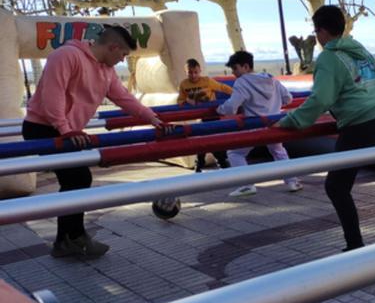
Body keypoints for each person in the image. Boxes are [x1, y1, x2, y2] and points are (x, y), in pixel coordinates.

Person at [273, 5, 375, 251]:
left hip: (360, 124)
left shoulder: (329, 58)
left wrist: (290, 121)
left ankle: (355, 244)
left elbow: (320, 100)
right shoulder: (359, 50)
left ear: (320, 31)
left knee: (336, 186)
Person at [22, 25, 172, 258]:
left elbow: (123, 98)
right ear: (112, 47)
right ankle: (71, 238)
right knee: (78, 177)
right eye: (122, 55)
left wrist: (153, 119)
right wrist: (64, 129)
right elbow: (53, 94)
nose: (122, 60)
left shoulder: (106, 70)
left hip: (67, 129)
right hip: (43, 127)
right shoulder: (66, 55)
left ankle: (68, 239)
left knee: (77, 178)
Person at [217, 50, 303, 197]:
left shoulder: (242, 82)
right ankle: (292, 181)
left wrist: (219, 109)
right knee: (278, 151)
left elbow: (231, 107)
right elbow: (288, 98)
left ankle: (246, 185)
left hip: (254, 125)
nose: (234, 72)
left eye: (235, 68)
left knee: (235, 153)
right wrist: (274, 105)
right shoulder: (272, 79)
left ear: (245, 66)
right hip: (275, 123)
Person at [177, 58, 233, 172]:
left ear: (200, 71)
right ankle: (200, 165)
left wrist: (237, 94)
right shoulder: (184, 84)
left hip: (212, 115)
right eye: (190, 72)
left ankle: (222, 164)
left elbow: (222, 87)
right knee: (202, 141)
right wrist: (187, 100)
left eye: (195, 72)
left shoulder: (207, 81)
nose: (193, 75)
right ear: (186, 72)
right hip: (201, 117)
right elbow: (179, 100)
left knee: (215, 140)